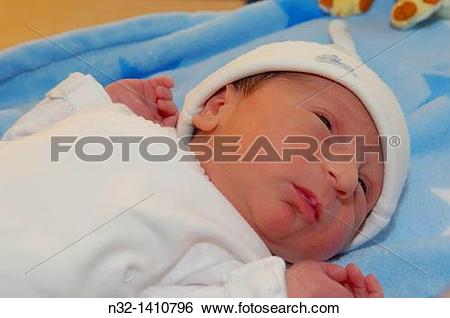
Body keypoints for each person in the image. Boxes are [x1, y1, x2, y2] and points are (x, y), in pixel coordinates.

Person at [0, 21, 409, 297]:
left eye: (362, 188)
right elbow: (21, 144)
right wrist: (90, 104)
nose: (341, 175)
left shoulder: (237, 268)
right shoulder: (122, 129)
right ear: (215, 108)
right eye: (324, 123)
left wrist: (285, 296)